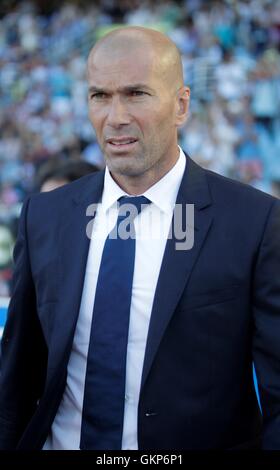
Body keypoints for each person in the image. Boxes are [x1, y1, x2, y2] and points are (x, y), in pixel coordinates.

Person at [0, 26, 279, 450]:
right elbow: (17, 379)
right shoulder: (45, 216)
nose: (116, 117)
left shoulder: (255, 222)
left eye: (136, 94)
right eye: (100, 96)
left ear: (181, 105)